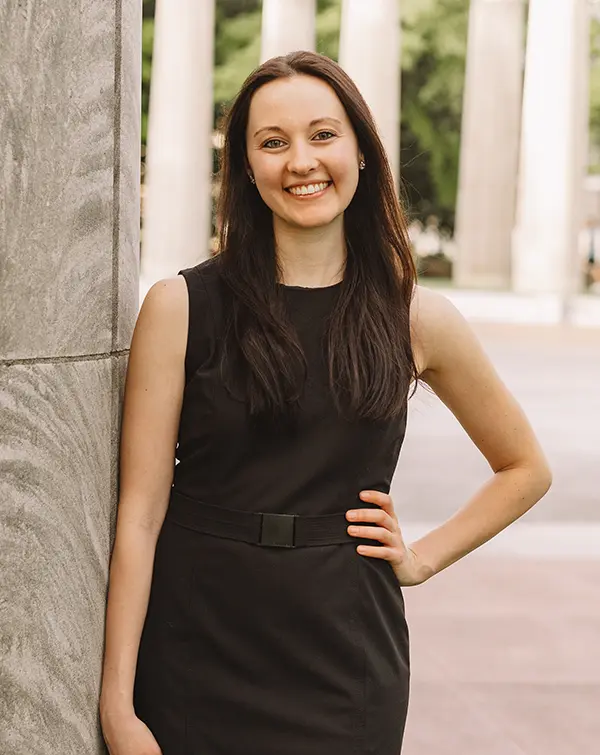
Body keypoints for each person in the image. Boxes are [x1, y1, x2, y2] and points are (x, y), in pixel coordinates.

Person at [99, 50, 552, 755]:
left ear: (362, 153)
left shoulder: (415, 317)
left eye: (323, 134)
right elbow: (140, 513)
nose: (301, 161)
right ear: (247, 169)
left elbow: (524, 467)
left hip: (344, 660)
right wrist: (119, 704)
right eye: (272, 143)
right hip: (193, 645)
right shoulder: (180, 306)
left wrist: (421, 558)